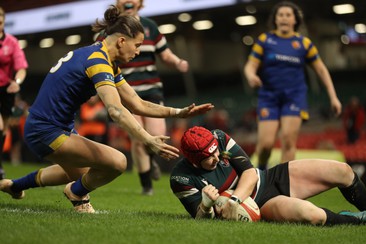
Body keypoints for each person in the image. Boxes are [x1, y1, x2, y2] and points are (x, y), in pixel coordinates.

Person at [0, 6, 213, 213]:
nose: (138, 51)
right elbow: (116, 111)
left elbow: (136, 103)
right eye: (137, 45)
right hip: (45, 130)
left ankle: (15, 185)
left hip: (47, 126)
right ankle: (77, 194)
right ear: (121, 41)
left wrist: (178, 112)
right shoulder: (99, 62)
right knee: (118, 162)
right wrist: (148, 139)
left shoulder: (102, 59)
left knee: (82, 173)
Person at [170, 126, 366, 225]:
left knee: (343, 170)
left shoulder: (218, 136)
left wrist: (234, 199)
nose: (217, 157)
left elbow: (249, 171)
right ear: (192, 160)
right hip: (261, 204)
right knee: (313, 216)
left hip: (268, 178)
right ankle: (360, 220)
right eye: (208, 158)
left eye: (216, 151)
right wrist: (207, 206)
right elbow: (201, 221)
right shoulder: (181, 178)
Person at [97, 0, 190, 196]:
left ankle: (152, 159)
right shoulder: (110, 31)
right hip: (125, 90)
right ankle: (147, 185)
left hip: (151, 89)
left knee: (159, 132)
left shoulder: (150, 27)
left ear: (140, 3)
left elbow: (165, 54)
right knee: (138, 138)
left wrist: (178, 62)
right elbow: (98, 57)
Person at [243, 1, 342, 170]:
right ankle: (261, 167)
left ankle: (282, 184)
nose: (284, 18)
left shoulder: (304, 44)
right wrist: (251, 76)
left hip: (294, 97)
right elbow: (250, 65)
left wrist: (333, 97)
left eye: (288, 15)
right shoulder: (265, 40)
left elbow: (322, 71)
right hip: (269, 97)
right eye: (280, 15)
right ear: (275, 19)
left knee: (288, 139)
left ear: (295, 20)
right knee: (266, 145)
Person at [0, 6, 28, 179]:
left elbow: (21, 68)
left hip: (7, 90)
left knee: (4, 131)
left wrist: (17, 82)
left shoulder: (11, 42)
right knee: (0, 126)